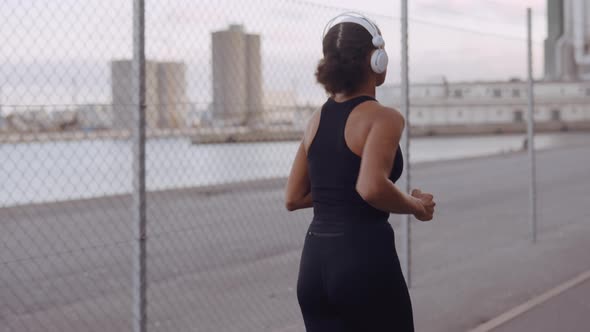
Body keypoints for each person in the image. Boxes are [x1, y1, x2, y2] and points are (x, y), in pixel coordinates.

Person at [284, 12, 436, 331]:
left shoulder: (315, 120)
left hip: (313, 267)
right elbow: (370, 187)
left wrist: (336, 197)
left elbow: (293, 198)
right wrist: (416, 206)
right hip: (362, 258)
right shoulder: (384, 118)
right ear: (377, 60)